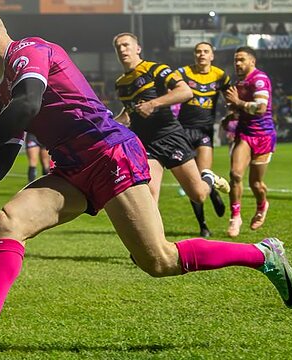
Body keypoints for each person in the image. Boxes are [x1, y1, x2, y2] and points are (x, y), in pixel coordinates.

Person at [0, 9, 292, 357]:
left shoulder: (29, 50)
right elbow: (0, 164)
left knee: (158, 260)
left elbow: (29, 105)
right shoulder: (1, 98)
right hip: (72, 169)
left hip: (110, 153)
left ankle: (264, 255)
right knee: (9, 221)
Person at [112, 33, 229, 229]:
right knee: (149, 197)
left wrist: (153, 104)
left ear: (138, 48)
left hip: (169, 136)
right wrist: (109, 125)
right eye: (118, 47)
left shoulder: (156, 69)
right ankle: (154, 247)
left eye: (126, 45)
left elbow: (185, 92)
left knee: (198, 194)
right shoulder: (120, 83)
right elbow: (128, 113)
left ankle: (208, 176)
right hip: (145, 143)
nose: (122, 50)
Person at [175, 42, 230, 237]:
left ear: (212, 55)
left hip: (205, 132)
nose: (202, 55)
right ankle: (203, 225)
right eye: (198, 51)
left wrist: (231, 117)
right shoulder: (182, 73)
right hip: (183, 132)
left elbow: (231, 98)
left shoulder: (220, 75)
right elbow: (168, 87)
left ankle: (212, 190)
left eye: (206, 51)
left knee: (204, 172)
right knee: (194, 182)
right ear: (194, 55)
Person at [223, 46, 275, 237]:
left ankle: (262, 205)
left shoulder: (259, 79)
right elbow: (240, 109)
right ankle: (235, 217)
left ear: (252, 61)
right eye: (235, 60)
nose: (237, 63)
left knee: (256, 184)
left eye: (241, 60)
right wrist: (230, 117)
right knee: (235, 175)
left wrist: (238, 103)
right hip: (244, 134)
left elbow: (260, 109)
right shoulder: (240, 82)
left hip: (263, 136)